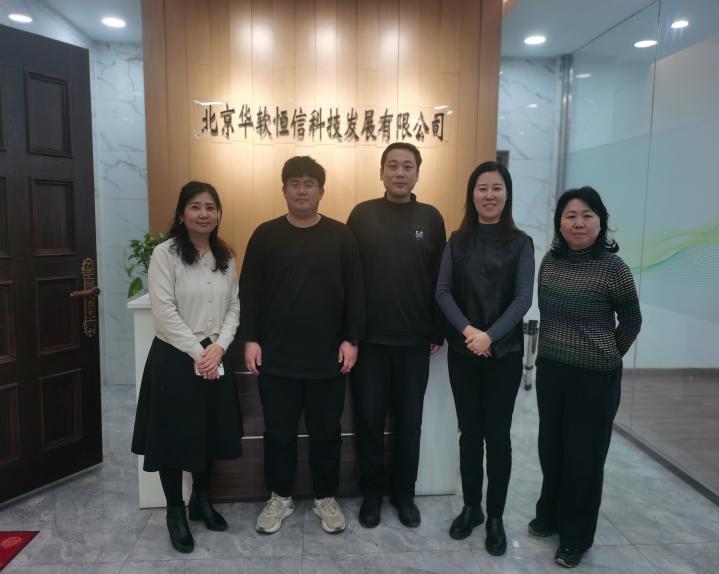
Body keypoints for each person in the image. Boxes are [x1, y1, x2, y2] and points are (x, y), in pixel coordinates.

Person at [238, 156, 364, 535]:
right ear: (284, 190)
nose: (302, 190)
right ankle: (280, 496)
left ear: (322, 191)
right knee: (278, 433)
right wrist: (251, 338)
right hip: (276, 358)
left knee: (327, 434)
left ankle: (326, 497)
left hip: (328, 358)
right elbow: (250, 290)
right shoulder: (265, 234)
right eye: (295, 183)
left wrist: (352, 339)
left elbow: (356, 291)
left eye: (310, 184)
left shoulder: (341, 236)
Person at [529, 187, 642, 568]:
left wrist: (606, 355)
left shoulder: (614, 268)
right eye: (570, 216)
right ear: (560, 223)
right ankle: (549, 515)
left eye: (587, 215)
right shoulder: (550, 261)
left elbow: (631, 321)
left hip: (594, 379)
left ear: (600, 222)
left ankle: (575, 537)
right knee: (552, 449)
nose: (578, 223)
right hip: (552, 371)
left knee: (584, 458)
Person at [131, 181, 243, 554]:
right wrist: (201, 352)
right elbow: (164, 312)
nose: (203, 214)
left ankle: (202, 501)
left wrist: (220, 347)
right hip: (176, 359)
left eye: (210, 207)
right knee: (172, 438)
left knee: (207, 431)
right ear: (181, 214)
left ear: (218, 214)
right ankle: (175, 513)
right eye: (195, 206)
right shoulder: (165, 255)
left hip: (214, 356)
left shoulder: (224, 256)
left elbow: (234, 306)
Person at [435, 161, 534, 554]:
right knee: (470, 435)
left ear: (507, 194)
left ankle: (495, 516)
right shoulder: (457, 241)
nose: (489, 195)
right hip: (464, 354)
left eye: (497, 188)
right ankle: (471, 508)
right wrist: (470, 333)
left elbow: (523, 298)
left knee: (498, 437)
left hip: (503, 355)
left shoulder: (521, 243)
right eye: (482, 188)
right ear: (472, 195)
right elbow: (443, 292)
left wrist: (489, 335)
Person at [347, 142, 446, 528]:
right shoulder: (362, 215)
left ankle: (404, 495)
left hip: (414, 342)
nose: (400, 172)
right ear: (381, 172)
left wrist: (436, 329)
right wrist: (351, 334)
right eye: (393, 166)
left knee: (409, 424)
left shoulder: (431, 218)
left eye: (407, 166)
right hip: (370, 342)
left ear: (418, 173)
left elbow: (440, 280)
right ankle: (371, 495)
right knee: (369, 422)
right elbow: (350, 278)